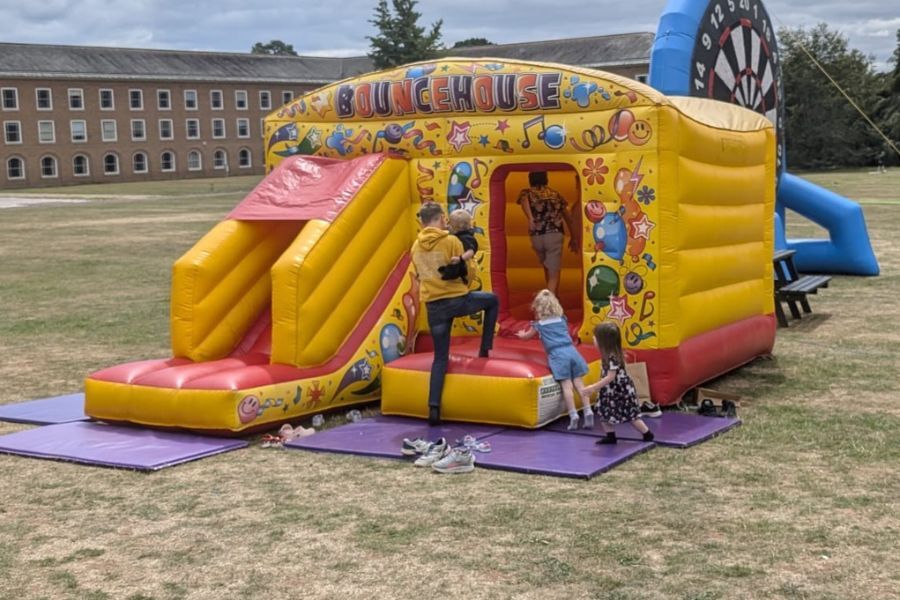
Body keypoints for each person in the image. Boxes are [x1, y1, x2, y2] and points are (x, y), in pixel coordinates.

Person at [411, 202, 499, 425]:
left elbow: (419, 275)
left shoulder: (415, 247)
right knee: (492, 300)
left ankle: (433, 408)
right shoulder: (451, 241)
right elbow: (466, 271)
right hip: (457, 300)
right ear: (441, 218)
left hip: (433, 306)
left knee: (440, 358)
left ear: (422, 221)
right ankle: (485, 348)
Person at [516, 289, 593, 430]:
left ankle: (573, 414)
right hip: (572, 351)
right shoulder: (562, 319)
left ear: (538, 308)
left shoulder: (539, 325)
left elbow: (526, 337)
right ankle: (588, 410)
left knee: (567, 386)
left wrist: (521, 334)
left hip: (558, 354)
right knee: (579, 383)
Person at [583, 322, 655, 444]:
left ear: (604, 341)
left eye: (596, 337)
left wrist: (593, 387)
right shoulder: (608, 354)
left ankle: (647, 433)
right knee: (604, 412)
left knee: (631, 415)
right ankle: (610, 436)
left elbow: (611, 377)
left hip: (620, 392)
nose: (593, 339)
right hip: (610, 391)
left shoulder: (612, 356)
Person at [516, 171, 578, 296]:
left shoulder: (527, 193)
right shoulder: (555, 194)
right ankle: (549, 304)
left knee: (547, 268)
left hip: (537, 236)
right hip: (554, 234)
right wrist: (574, 237)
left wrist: (530, 219)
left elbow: (524, 201)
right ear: (546, 179)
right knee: (554, 273)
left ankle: (555, 296)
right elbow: (569, 218)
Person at [438, 209, 478, 287]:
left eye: (450, 224)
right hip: (461, 264)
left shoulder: (466, 237)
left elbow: (470, 251)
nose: (448, 225)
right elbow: (447, 229)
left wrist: (460, 258)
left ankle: (453, 278)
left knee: (455, 268)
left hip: (465, 268)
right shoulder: (457, 232)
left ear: (457, 228)